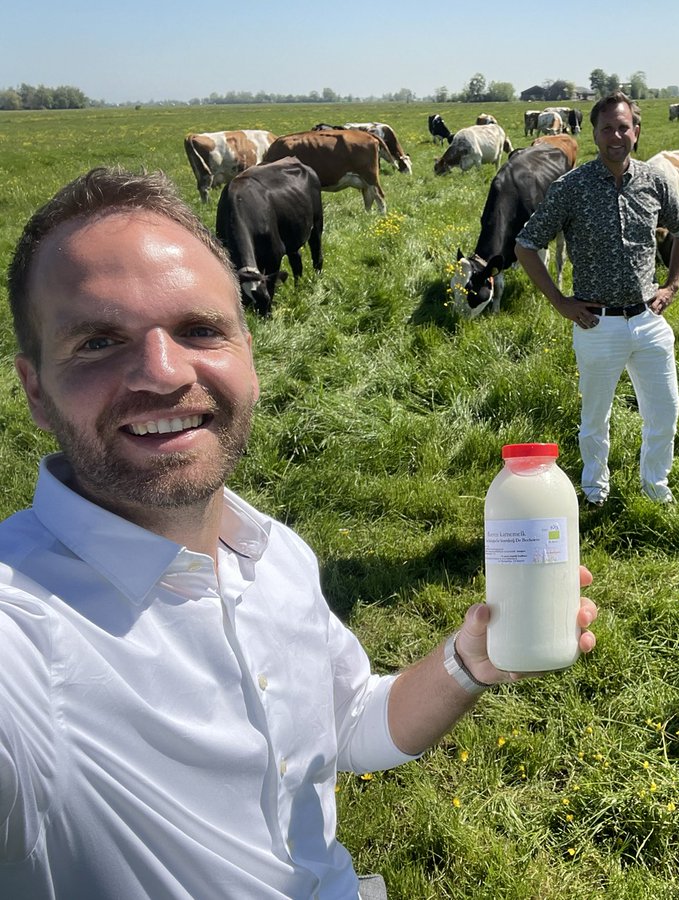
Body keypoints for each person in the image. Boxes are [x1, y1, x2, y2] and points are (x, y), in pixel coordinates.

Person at [0, 168, 598, 899]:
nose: (161, 372)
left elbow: (348, 721)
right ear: (33, 388)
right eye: (97, 341)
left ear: (247, 350)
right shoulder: (23, 629)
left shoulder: (272, 552)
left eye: (198, 329)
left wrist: (470, 660)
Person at [515, 91, 679, 506]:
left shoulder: (654, 181)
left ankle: (655, 489)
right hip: (597, 323)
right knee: (595, 419)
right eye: (607, 127)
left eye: (623, 126)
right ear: (594, 133)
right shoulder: (571, 187)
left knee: (664, 413)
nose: (616, 135)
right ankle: (595, 490)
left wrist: (672, 285)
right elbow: (526, 245)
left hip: (648, 319)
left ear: (636, 131)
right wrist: (561, 302)